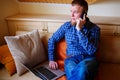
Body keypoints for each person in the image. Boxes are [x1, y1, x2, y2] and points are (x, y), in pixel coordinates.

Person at [48, 0, 100, 80]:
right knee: (76, 72)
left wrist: (79, 30)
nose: (71, 15)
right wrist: (51, 59)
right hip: (71, 59)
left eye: (75, 12)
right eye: (71, 11)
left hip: (89, 59)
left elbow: (91, 51)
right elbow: (52, 40)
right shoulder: (66, 26)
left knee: (82, 69)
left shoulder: (94, 29)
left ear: (84, 14)